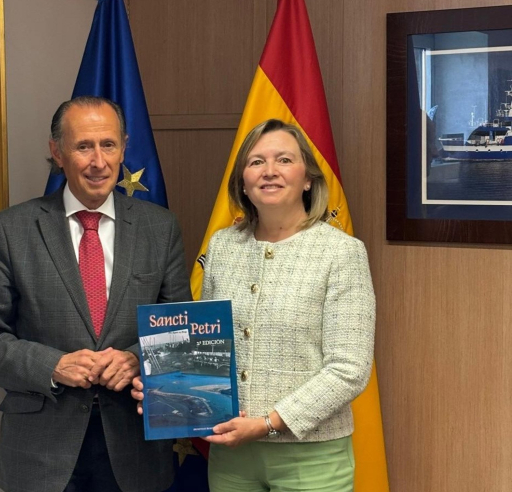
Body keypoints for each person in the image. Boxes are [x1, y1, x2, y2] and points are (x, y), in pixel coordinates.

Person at [0, 96, 191, 492]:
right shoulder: (12, 230)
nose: (98, 161)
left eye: (108, 145)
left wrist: (137, 359)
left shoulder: (160, 228)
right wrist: (52, 365)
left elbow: (181, 328)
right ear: (58, 152)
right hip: (41, 448)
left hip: (135, 444)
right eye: (84, 146)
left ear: (124, 148)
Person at [134, 118, 375, 491]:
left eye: (284, 160)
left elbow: (350, 370)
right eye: (257, 162)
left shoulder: (341, 252)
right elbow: (205, 348)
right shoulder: (223, 247)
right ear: (243, 182)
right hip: (232, 457)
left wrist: (268, 424)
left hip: (312, 458)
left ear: (308, 178)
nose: (270, 171)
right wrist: (161, 388)